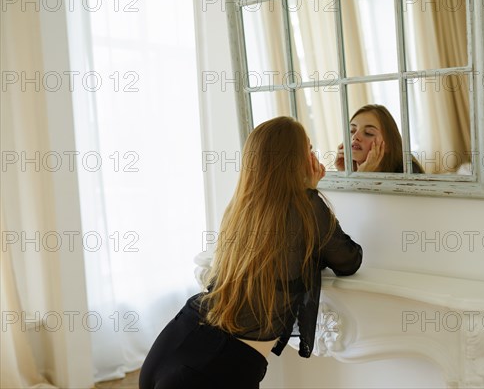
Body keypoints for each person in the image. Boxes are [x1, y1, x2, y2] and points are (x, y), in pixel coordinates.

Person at [139, 116, 362, 389]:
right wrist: (311, 191)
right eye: (309, 150)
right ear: (294, 161)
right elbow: (349, 259)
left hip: (176, 340)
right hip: (214, 367)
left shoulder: (242, 207)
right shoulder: (306, 206)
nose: (315, 158)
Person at [335, 104, 424, 173]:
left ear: (388, 145)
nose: (355, 137)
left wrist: (362, 177)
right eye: (352, 130)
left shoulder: (407, 172)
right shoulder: (353, 170)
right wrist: (345, 174)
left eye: (368, 133)